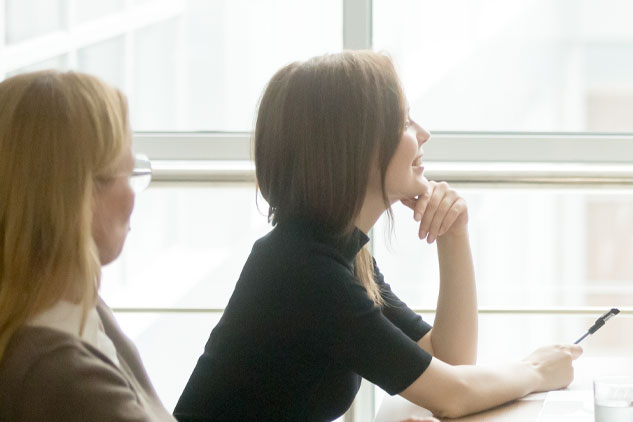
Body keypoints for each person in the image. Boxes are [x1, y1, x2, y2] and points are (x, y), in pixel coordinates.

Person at [173, 51, 580, 420]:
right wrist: (535, 371)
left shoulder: (334, 252)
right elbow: (453, 395)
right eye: (403, 121)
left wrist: (453, 234)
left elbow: (451, 363)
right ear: (352, 147)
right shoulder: (303, 271)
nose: (423, 133)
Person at [0, 70, 170, 420]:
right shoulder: (63, 379)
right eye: (127, 171)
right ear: (78, 198)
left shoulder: (77, 306)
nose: (134, 197)